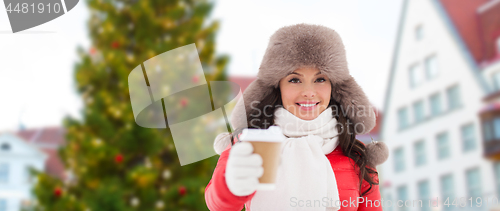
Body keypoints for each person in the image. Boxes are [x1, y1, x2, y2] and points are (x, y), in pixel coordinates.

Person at [205, 23, 388, 211]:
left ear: (335, 87)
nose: (309, 92)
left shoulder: (357, 155)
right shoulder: (250, 143)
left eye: (320, 79)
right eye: (294, 80)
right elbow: (217, 205)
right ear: (278, 87)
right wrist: (231, 184)